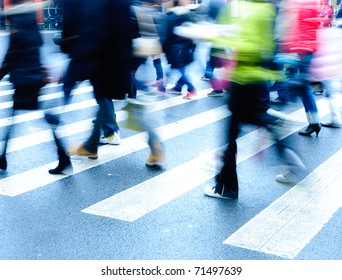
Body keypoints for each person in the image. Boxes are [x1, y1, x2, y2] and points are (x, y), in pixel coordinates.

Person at [203, 0, 306, 199]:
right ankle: (276, 132)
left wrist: (220, 37)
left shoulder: (249, 9)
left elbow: (249, 45)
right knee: (242, 124)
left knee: (231, 133)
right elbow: (268, 46)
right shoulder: (266, 8)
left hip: (242, 78)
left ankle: (226, 188)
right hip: (256, 78)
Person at [0, 0, 72, 175]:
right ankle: (62, 157)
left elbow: (12, 56)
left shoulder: (18, 26)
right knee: (21, 117)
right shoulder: (31, 23)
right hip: (34, 78)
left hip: (25, 80)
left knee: (16, 118)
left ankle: (63, 157)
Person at [61, 0, 133, 160]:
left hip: (104, 56)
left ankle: (109, 134)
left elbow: (97, 25)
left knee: (102, 95)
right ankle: (94, 143)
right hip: (106, 56)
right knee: (102, 95)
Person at [274, 0, 322, 136]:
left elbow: (291, 25)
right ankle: (313, 122)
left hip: (299, 50)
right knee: (301, 85)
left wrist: (286, 46)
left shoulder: (296, 3)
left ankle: (282, 118)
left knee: (292, 82)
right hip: (304, 49)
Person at [163, 0, 197, 99]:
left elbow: (168, 36)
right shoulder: (186, 13)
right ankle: (178, 88)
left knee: (179, 70)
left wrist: (164, 49)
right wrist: (192, 47)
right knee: (178, 69)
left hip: (176, 50)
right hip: (184, 48)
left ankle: (192, 89)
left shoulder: (171, 16)